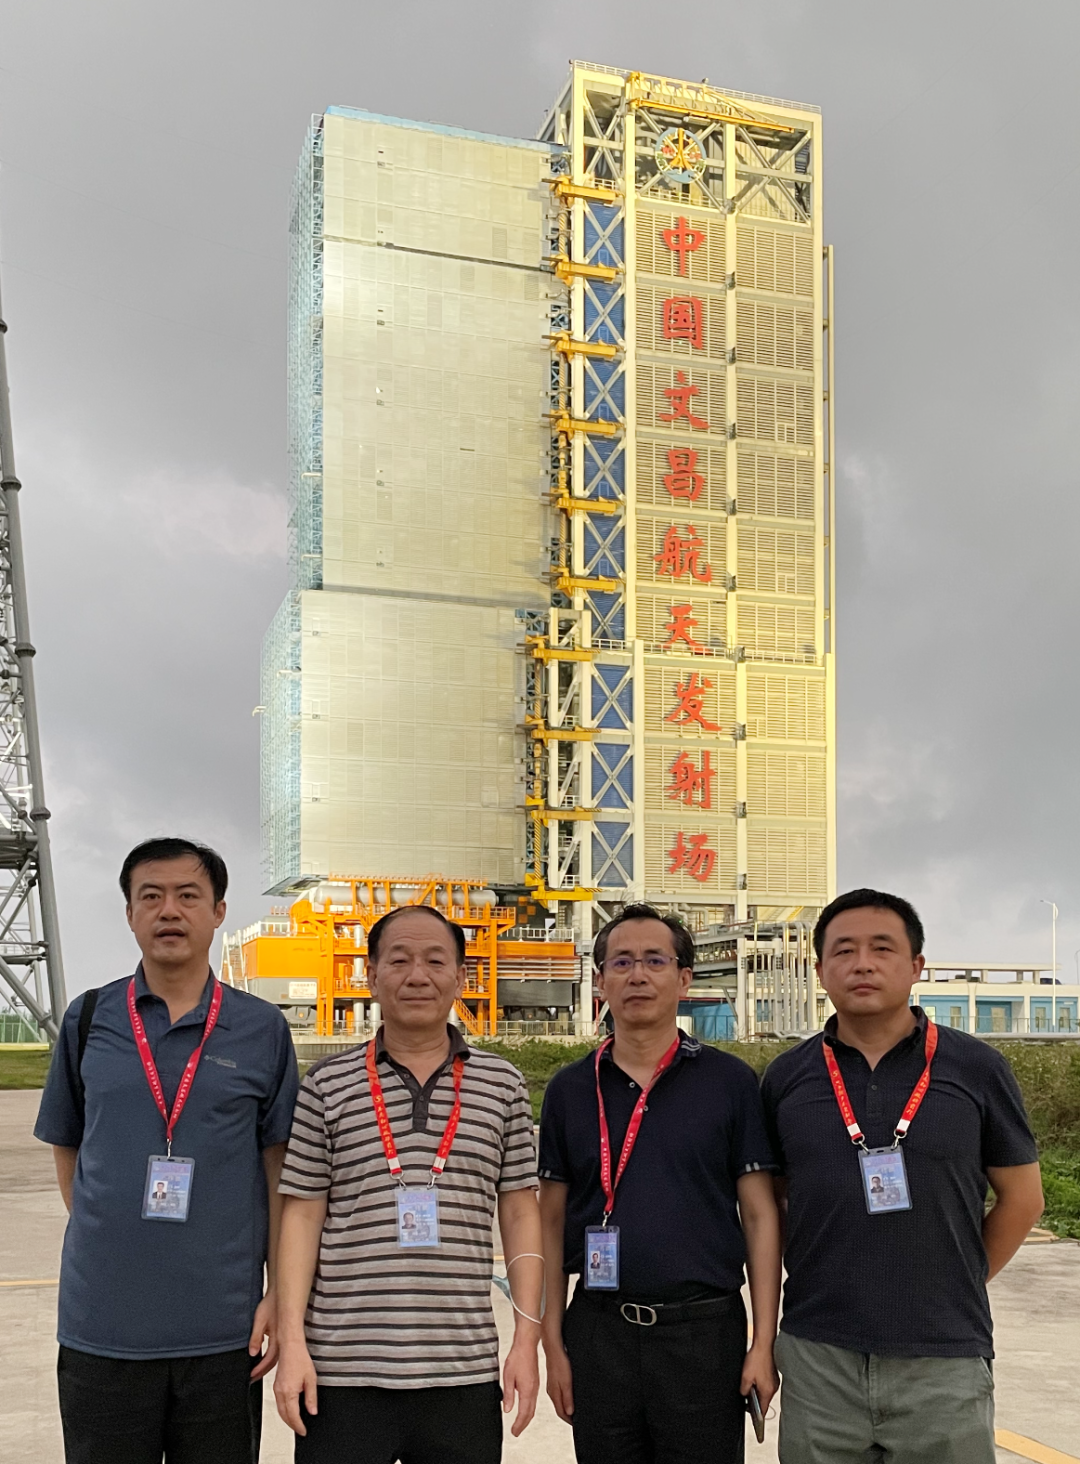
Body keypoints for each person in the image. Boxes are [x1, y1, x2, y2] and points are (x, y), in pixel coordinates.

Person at [34, 836, 299, 1464]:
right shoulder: (88, 1018)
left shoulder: (261, 1028)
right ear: (130, 914)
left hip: (225, 1330)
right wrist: (110, 1231)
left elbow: (278, 1169)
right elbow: (68, 1144)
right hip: (102, 1328)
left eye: (188, 896)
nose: (169, 911)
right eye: (150, 897)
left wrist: (278, 1295)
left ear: (219, 911)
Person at [761, 888, 1046, 1464]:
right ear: (819, 971)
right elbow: (773, 1203)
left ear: (916, 966)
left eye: (882, 948)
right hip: (819, 1354)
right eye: (844, 951)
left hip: (943, 1355)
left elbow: (1023, 1199)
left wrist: (958, 1280)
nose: (862, 964)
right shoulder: (786, 1077)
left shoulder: (977, 1067)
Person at [274, 905, 543, 1464]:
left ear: (460, 977)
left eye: (435, 961)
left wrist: (526, 1339)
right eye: (398, 961)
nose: (417, 976)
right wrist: (293, 1341)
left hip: (463, 1370)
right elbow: (302, 1215)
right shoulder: (326, 1084)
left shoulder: (503, 1085)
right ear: (371, 976)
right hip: (341, 1372)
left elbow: (520, 1213)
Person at [539, 902, 782, 1463]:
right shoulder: (570, 1090)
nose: (638, 975)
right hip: (599, 1332)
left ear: (684, 979)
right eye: (621, 962)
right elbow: (548, 1221)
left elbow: (760, 1215)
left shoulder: (729, 1082)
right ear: (599, 980)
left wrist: (762, 1343)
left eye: (655, 960)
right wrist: (553, 1343)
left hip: (704, 1333)